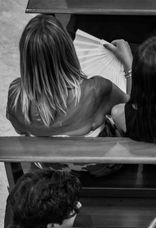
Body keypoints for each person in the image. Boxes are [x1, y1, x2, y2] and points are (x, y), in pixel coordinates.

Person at [6, 14, 132, 177]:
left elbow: (20, 129)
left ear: (26, 56)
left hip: (51, 170)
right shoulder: (96, 89)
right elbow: (131, 110)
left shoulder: (16, 95)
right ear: (68, 50)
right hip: (100, 168)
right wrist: (129, 66)